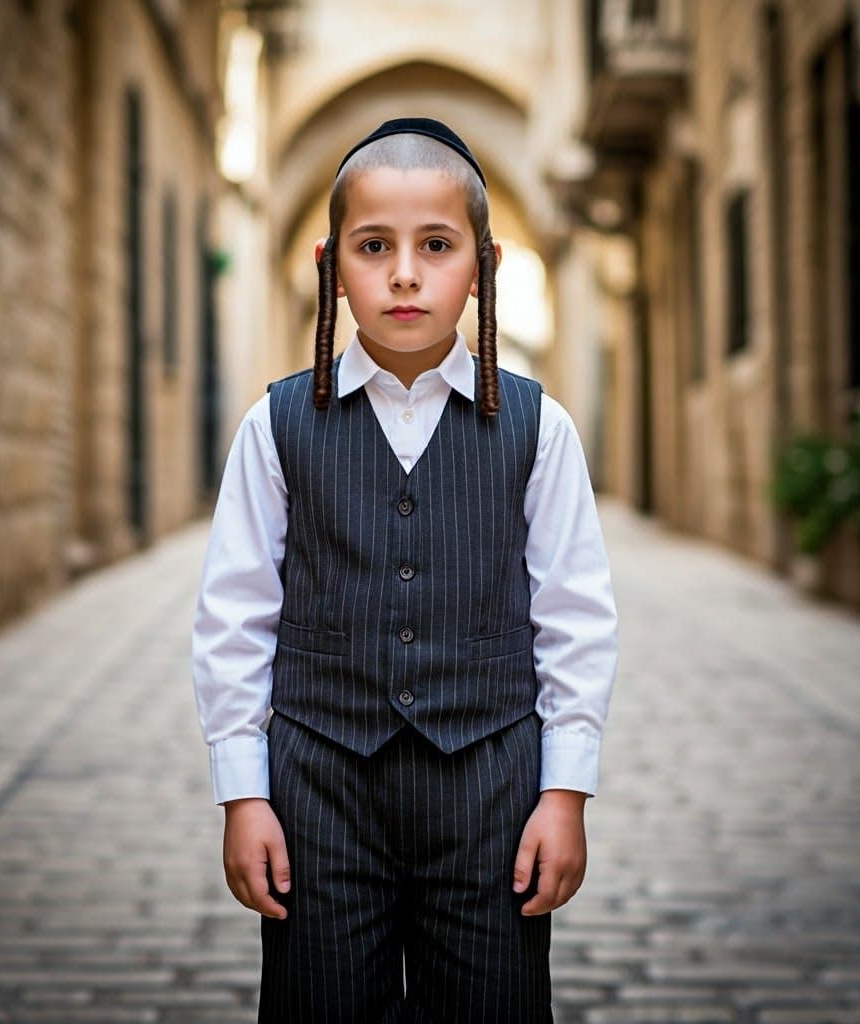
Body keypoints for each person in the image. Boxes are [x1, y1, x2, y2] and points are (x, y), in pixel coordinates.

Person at [191, 116, 619, 1023]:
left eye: (436, 245)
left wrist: (565, 791)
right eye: (374, 246)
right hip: (318, 791)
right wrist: (243, 794)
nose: (405, 274)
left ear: (484, 264)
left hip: (492, 790)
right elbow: (234, 614)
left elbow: (576, 617)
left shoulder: (539, 428)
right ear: (330, 265)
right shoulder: (276, 426)